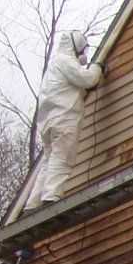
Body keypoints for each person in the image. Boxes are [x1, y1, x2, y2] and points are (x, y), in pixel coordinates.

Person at [27, 29, 103, 204]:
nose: (83, 55)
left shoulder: (54, 65)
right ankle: (50, 197)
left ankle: (33, 203)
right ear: (76, 47)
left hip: (48, 122)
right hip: (63, 118)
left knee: (49, 160)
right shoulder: (66, 61)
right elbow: (87, 79)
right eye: (82, 50)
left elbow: (72, 86)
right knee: (62, 157)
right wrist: (97, 68)